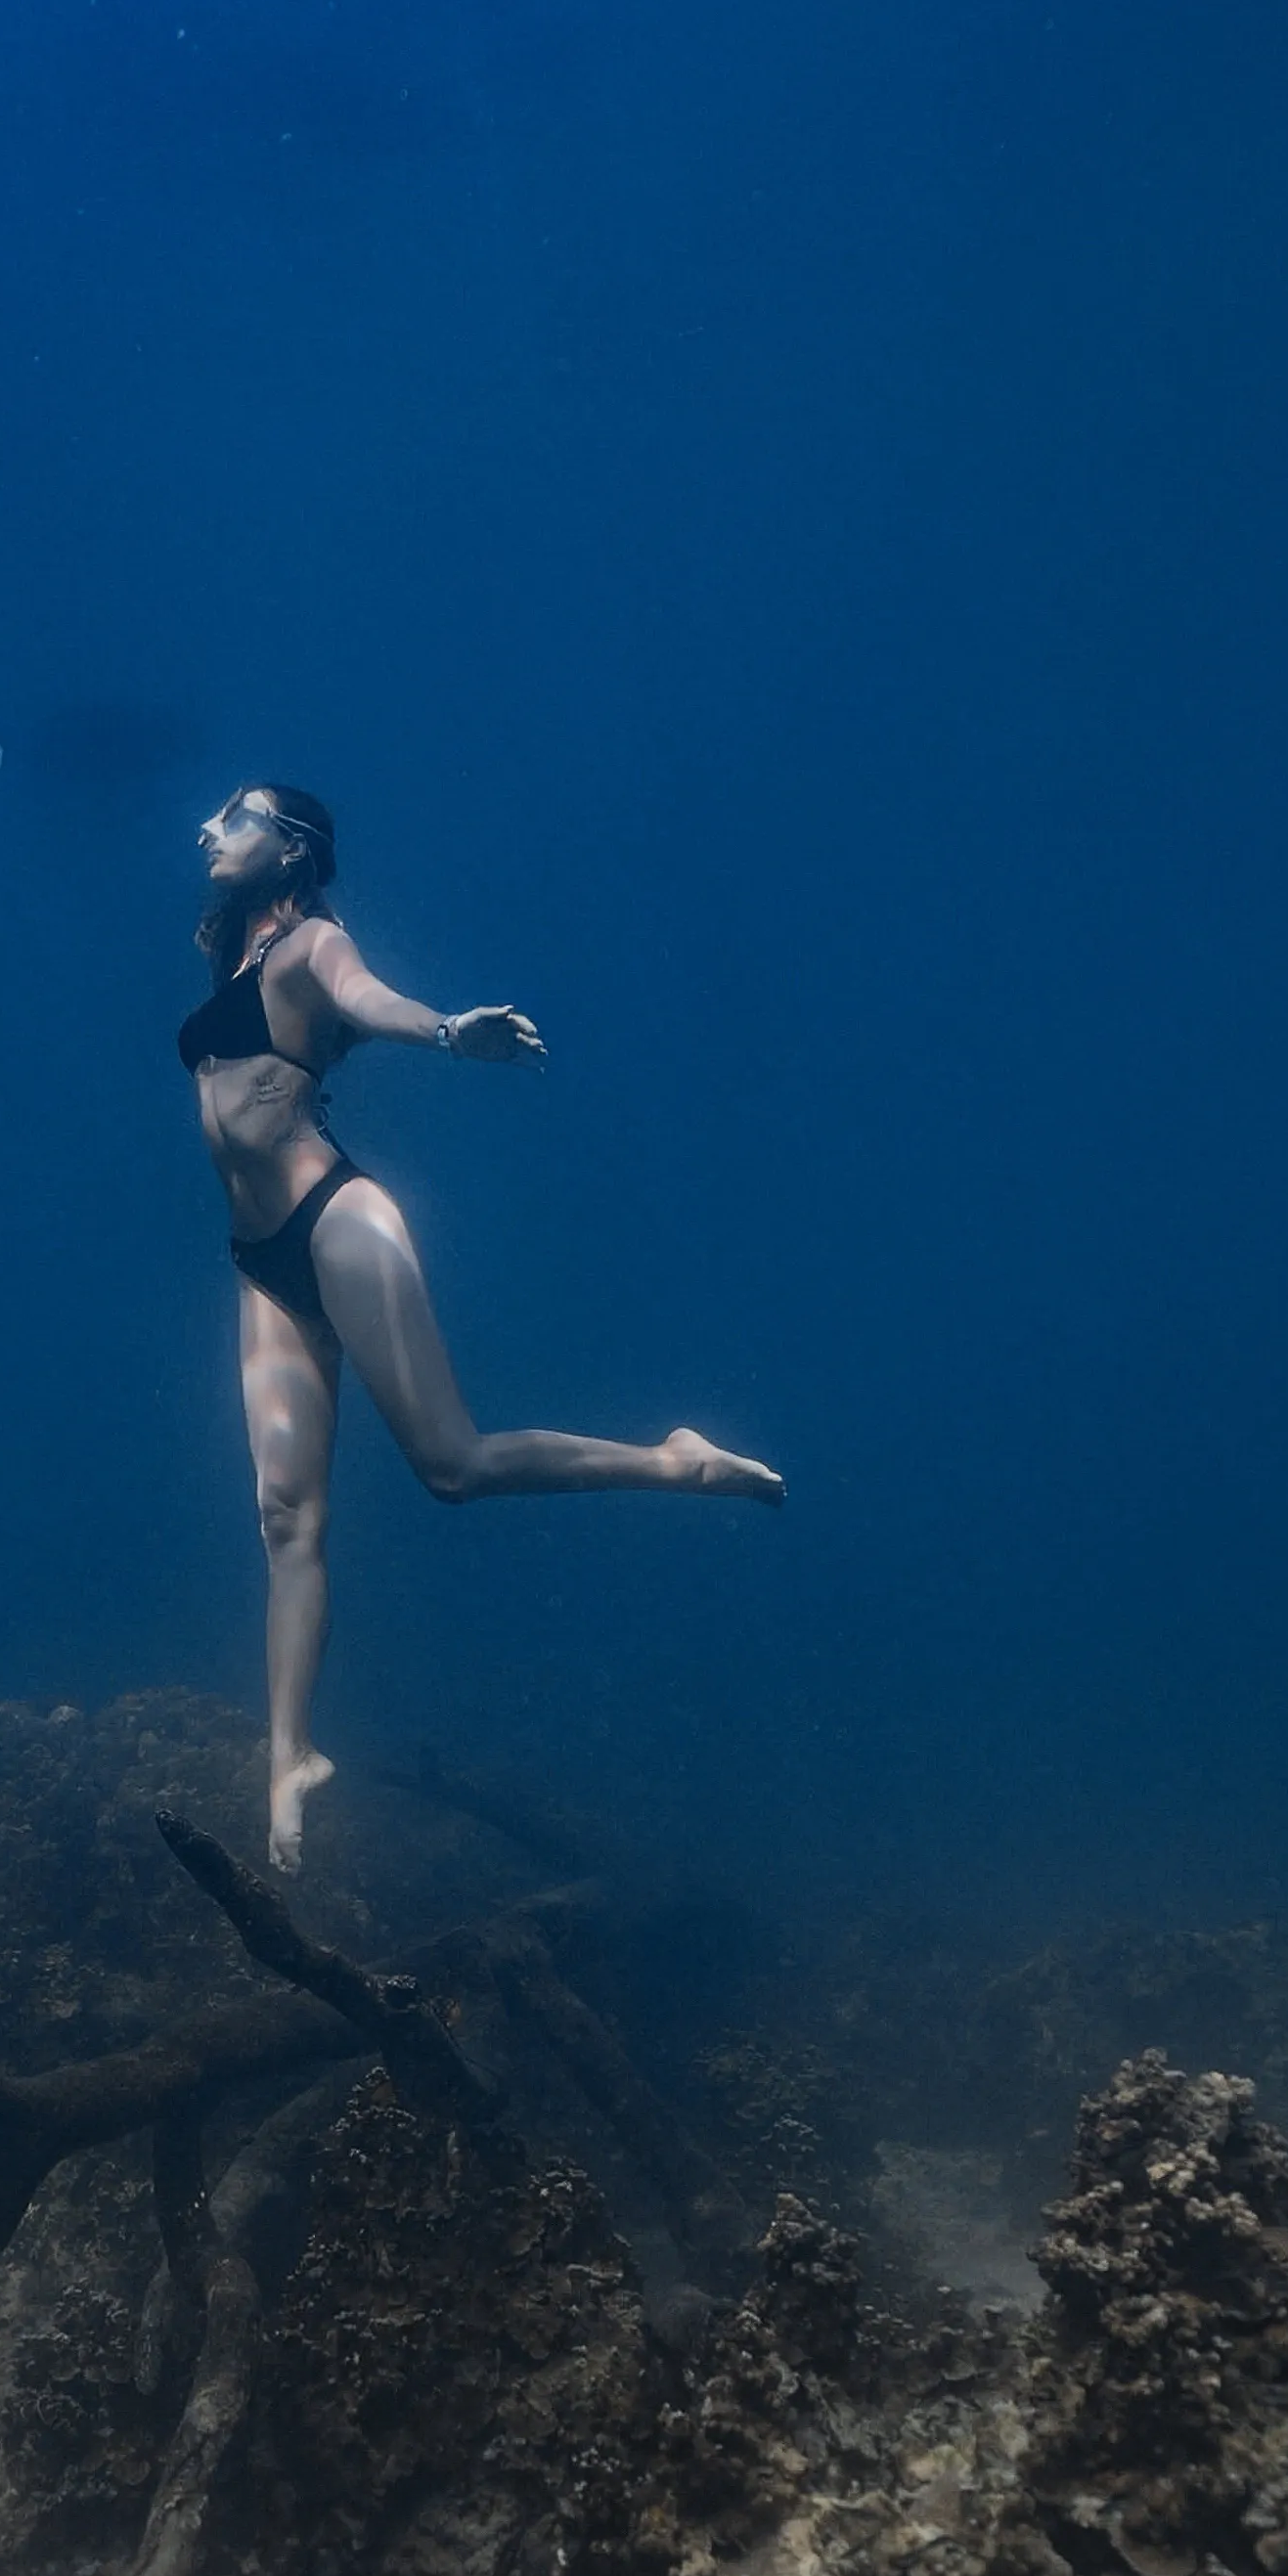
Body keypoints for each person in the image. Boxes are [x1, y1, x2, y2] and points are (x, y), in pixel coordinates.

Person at [182, 783, 781, 1873]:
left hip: (333, 1222)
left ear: (294, 847)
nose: (210, 829)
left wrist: (451, 1031)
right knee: (283, 1516)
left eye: (239, 814)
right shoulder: (231, 954)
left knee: (451, 1466)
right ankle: (290, 1754)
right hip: (257, 1261)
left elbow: (368, 998)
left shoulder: (315, 940)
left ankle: (675, 1463)